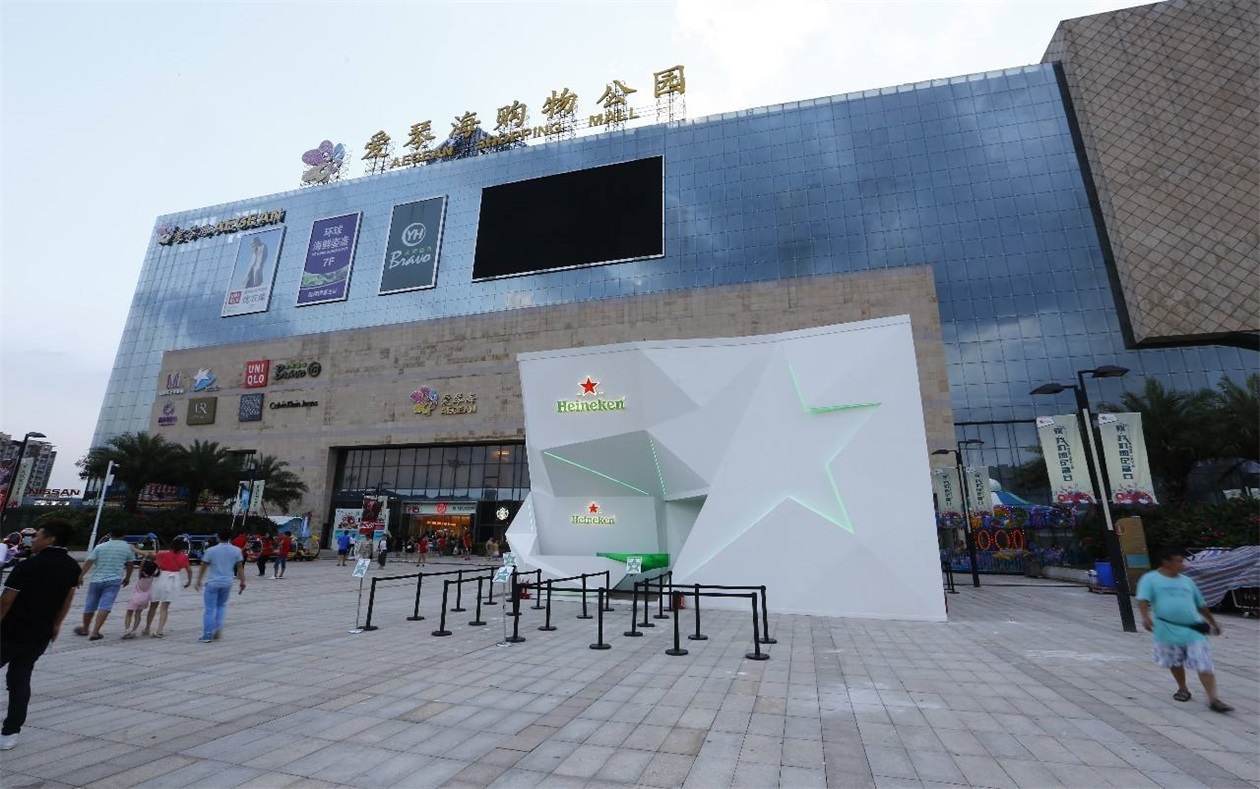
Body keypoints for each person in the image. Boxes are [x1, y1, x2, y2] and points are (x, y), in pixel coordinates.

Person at [0, 519, 81, 750]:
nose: (33, 540)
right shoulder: (72, 567)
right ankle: (10, 733)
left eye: (37, 536)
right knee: (20, 680)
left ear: (50, 539)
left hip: (10, 631)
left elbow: (6, 601)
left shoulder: (28, 566)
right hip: (40, 634)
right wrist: (56, 625)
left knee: (18, 679)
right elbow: (67, 599)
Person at [1137, 548, 1233, 713]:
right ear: (1166, 562)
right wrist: (1145, 617)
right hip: (1166, 628)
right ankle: (1182, 688)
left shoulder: (1188, 581)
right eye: (1178, 561)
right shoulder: (1150, 579)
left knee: (1204, 662)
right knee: (1175, 661)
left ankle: (1213, 699)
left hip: (1193, 628)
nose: (1183, 565)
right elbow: (1143, 600)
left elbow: (1200, 604)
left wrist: (1213, 623)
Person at [74, 527, 141, 641]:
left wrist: (80, 576)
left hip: (96, 580)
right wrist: (127, 578)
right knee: (105, 605)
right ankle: (95, 632)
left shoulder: (100, 547)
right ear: (124, 535)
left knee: (90, 603)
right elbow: (130, 564)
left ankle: (85, 628)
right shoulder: (127, 548)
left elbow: (89, 561)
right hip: (114, 580)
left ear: (110, 534)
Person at [195, 529, 245, 643]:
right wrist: (243, 581)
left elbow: (204, 566)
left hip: (213, 582)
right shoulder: (236, 550)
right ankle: (218, 627)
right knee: (221, 606)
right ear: (230, 537)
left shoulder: (211, 550)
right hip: (227, 582)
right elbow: (240, 567)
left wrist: (198, 580)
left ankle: (207, 634)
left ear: (218, 537)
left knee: (209, 609)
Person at [145, 537, 193, 638]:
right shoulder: (184, 556)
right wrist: (189, 581)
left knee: (153, 604)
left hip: (162, 578)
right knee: (165, 607)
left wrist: (135, 550)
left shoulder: (163, 554)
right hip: (174, 579)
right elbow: (189, 570)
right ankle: (160, 630)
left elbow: (150, 555)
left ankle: (147, 627)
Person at [122, 554, 159, 639]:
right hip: (144, 599)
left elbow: (141, 566)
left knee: (129, 613)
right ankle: (134, 630)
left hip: (135, 598)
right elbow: (155, 565)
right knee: (138, 614)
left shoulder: (141, 576)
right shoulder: (152, 577)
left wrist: (145, 558)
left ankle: (127, 629)